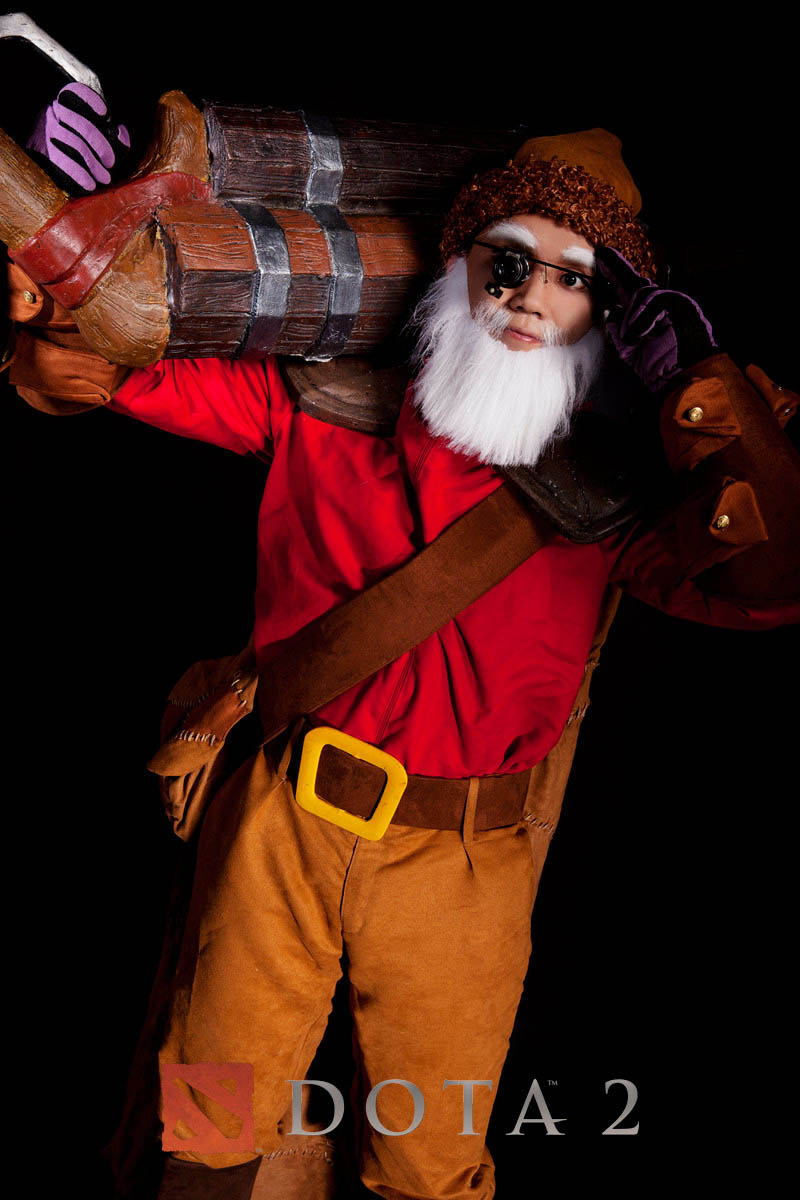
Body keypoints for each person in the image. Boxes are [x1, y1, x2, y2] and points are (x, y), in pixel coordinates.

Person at [4, 104, 799, 1200]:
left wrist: (705, 391)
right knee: (209, 1125)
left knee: (427, 1165)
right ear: (459, 267)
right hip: (277, 831)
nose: (530, 296)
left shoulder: (613, 499)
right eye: (506, 261)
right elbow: (100, 365)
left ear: (609, 313)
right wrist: (51, 295)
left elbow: (766, 591)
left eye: (574, 277)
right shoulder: (320, 406)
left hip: (458, 868)